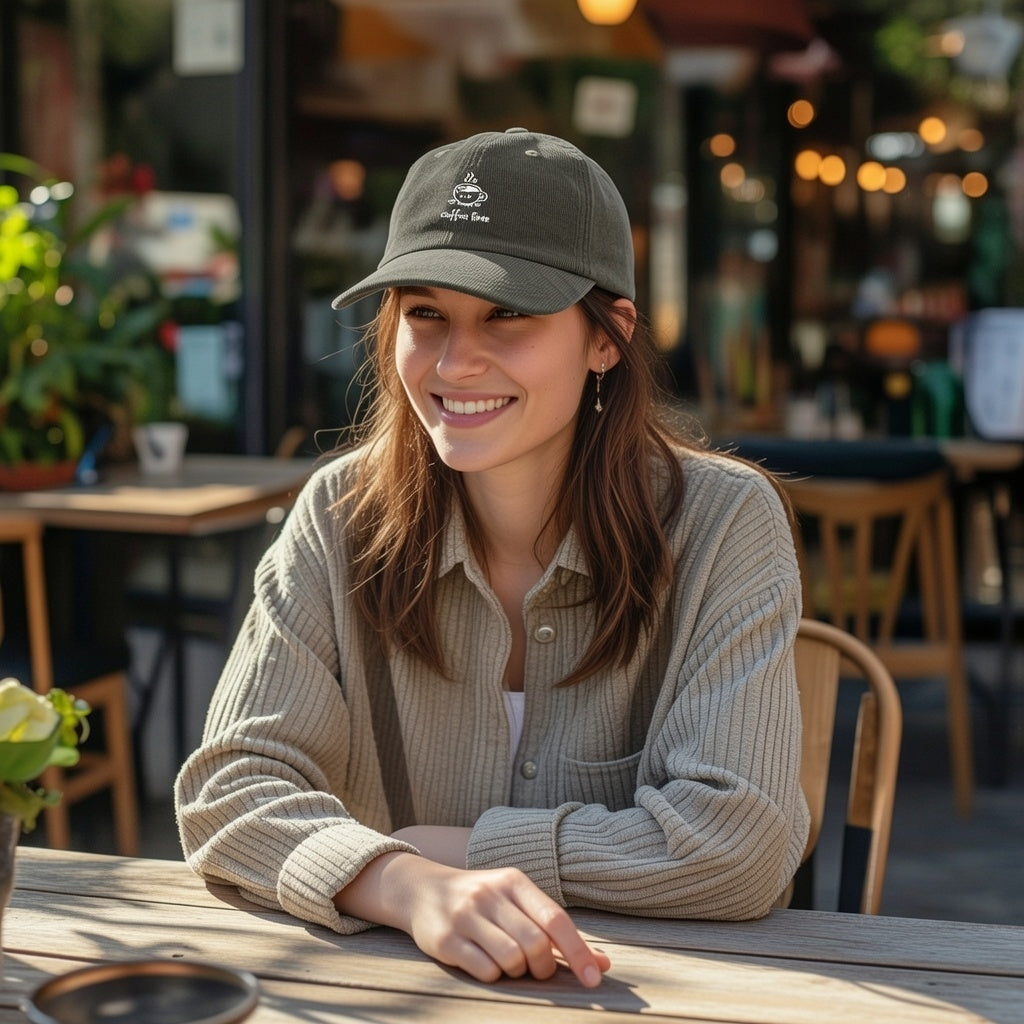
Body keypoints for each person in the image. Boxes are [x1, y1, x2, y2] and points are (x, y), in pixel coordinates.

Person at [175, 128, 809, 989]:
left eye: (507, 314)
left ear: (607, 338)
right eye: (425, 312)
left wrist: (462, 846)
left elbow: (742, 849)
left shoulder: (724, 522)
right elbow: (227, 790)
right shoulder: (338, 514)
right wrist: (402, 881)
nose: (454, 359)